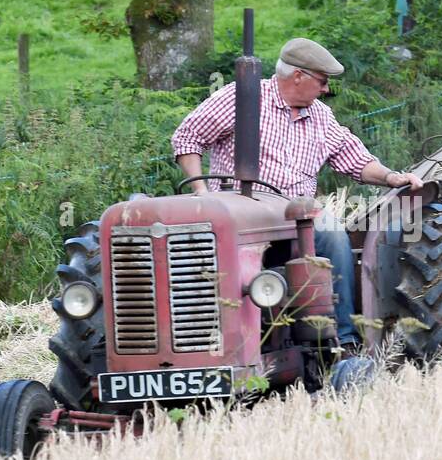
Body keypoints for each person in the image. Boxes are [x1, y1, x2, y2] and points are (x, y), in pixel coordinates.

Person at [171, 37, 424, 352]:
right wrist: (201, 191)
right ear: (298, 76)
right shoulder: (243, 97)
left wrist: (390, 177)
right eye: (322, 81)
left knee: (331, 233)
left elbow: (355, 158)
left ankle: (339, 339)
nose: (325, 89)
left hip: (296, 217)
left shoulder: (319, 116)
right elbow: (188, 136)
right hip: (241, 213)